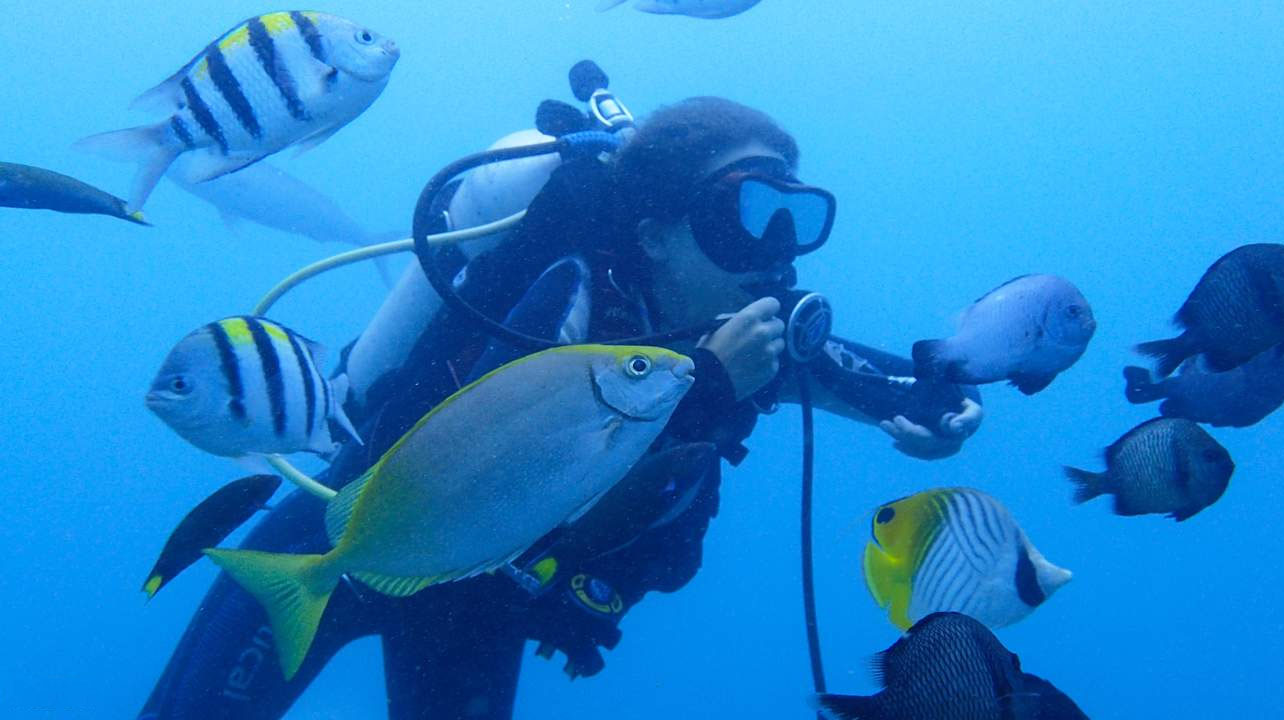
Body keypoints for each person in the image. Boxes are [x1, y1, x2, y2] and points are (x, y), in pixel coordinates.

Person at [138, 96, 982, 720]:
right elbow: (509, 447)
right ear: (652, 234)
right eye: (740, 217)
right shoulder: (567, 288)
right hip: (346, 534)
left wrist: (939, 397)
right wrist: (705, 388)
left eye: (790, 219)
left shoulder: (730, 337)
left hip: (477, 604)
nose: (769, 253)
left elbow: (850, 372)